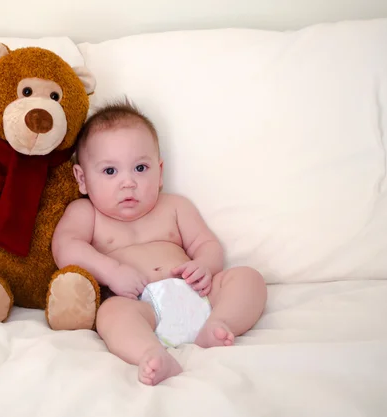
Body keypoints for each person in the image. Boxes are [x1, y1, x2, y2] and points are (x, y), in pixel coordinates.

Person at [51, 99, 267, 386]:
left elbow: (207, 244)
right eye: (110, 171)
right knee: (111, 314)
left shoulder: (175, 206)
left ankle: (220, 323)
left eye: (140, 168)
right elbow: (65, 247)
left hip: (199, 296)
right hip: (141, 307)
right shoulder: (87, 213)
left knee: (248, 278)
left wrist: (204, 266)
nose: (128, 182)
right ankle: (150, 353)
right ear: (82, 179)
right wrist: (112, 270)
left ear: (160, 171)